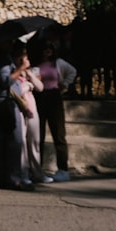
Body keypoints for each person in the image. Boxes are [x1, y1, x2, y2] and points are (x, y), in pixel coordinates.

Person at [0, 40, 33, 191]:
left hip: (2, 102)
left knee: (5, 142)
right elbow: (4, 81)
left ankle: (5, 176)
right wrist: (21, 68)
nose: (11, 44)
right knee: (15, 141)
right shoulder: (1, 60)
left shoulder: (1, 58)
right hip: (5, 103)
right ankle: (13, 178)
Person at [35, 42, 77, 182]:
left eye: (49, 48)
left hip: (54, 97)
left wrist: (65, 84)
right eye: (44, 48)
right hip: (40, 98)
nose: (47, 51)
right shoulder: (36, 66)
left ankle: (63, 169)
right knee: (38, 135)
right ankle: (37, 169)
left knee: (59, 134)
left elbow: (72, 71)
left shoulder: (58, 63)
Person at [12, 45, 49, 185]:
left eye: (25, 56)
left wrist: (30, 76)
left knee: (34, 141)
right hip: (20, 109)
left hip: (32, 110)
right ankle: (23, 173)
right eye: (21, 56)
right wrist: (28, 86)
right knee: (22, 142)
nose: (24, 59)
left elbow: (40, 87)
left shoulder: (31, 71)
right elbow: (18, 91)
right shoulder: (13, 72)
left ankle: (37, 172)